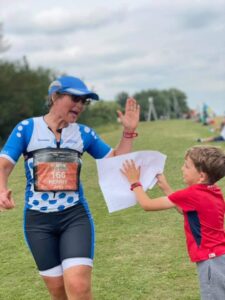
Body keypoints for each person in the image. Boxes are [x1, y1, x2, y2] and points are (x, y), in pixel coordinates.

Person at [0, 75, 140, 300]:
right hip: (38, 222)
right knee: (58, 292)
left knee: (78, 286)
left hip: (74, 217)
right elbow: (4, 165)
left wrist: (128, 132)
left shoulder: (84, 134)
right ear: (55, 96)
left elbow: (114, 160)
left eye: (84, 101)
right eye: (75, 98)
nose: (80, 105)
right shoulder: (27, 128)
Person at [121, 145, 225, 300]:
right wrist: (166, 187)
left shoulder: (193, 194)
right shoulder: (213, 191)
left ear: (201, 176)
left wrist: (135, 182)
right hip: (219, 256)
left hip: (211, 260)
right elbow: (185, 211)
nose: (182, 168)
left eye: (187, 166)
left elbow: (147, 205)